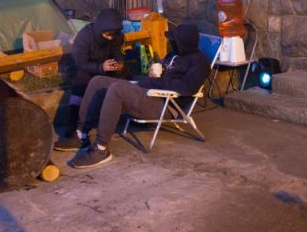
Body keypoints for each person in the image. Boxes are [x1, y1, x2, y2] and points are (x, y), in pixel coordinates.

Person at [68, 23, 210, 169]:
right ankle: (81, 134)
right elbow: (160, 73)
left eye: (174, 39)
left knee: (117, 89)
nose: (170, 42)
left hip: (166, 104)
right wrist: (153, 72)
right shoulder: (173, 54)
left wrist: (157, 81)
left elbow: (187, 87)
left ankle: (101, 149)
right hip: (150, 91)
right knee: (98, 81)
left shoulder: (199, 62)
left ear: (184, 41)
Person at [54, 8, 125, 151]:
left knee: (120, 80)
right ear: (100, 29)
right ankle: (74, 127)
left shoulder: (117, 37)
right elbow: (79, 62)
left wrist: (119, 64)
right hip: (84, 69)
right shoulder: (85, 36)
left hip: (105, 69)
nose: (110, 38)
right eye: (107, 34)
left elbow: (118, 54)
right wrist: (100, 67)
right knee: (81, 83)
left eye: (113, 35)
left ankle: (106, 121)